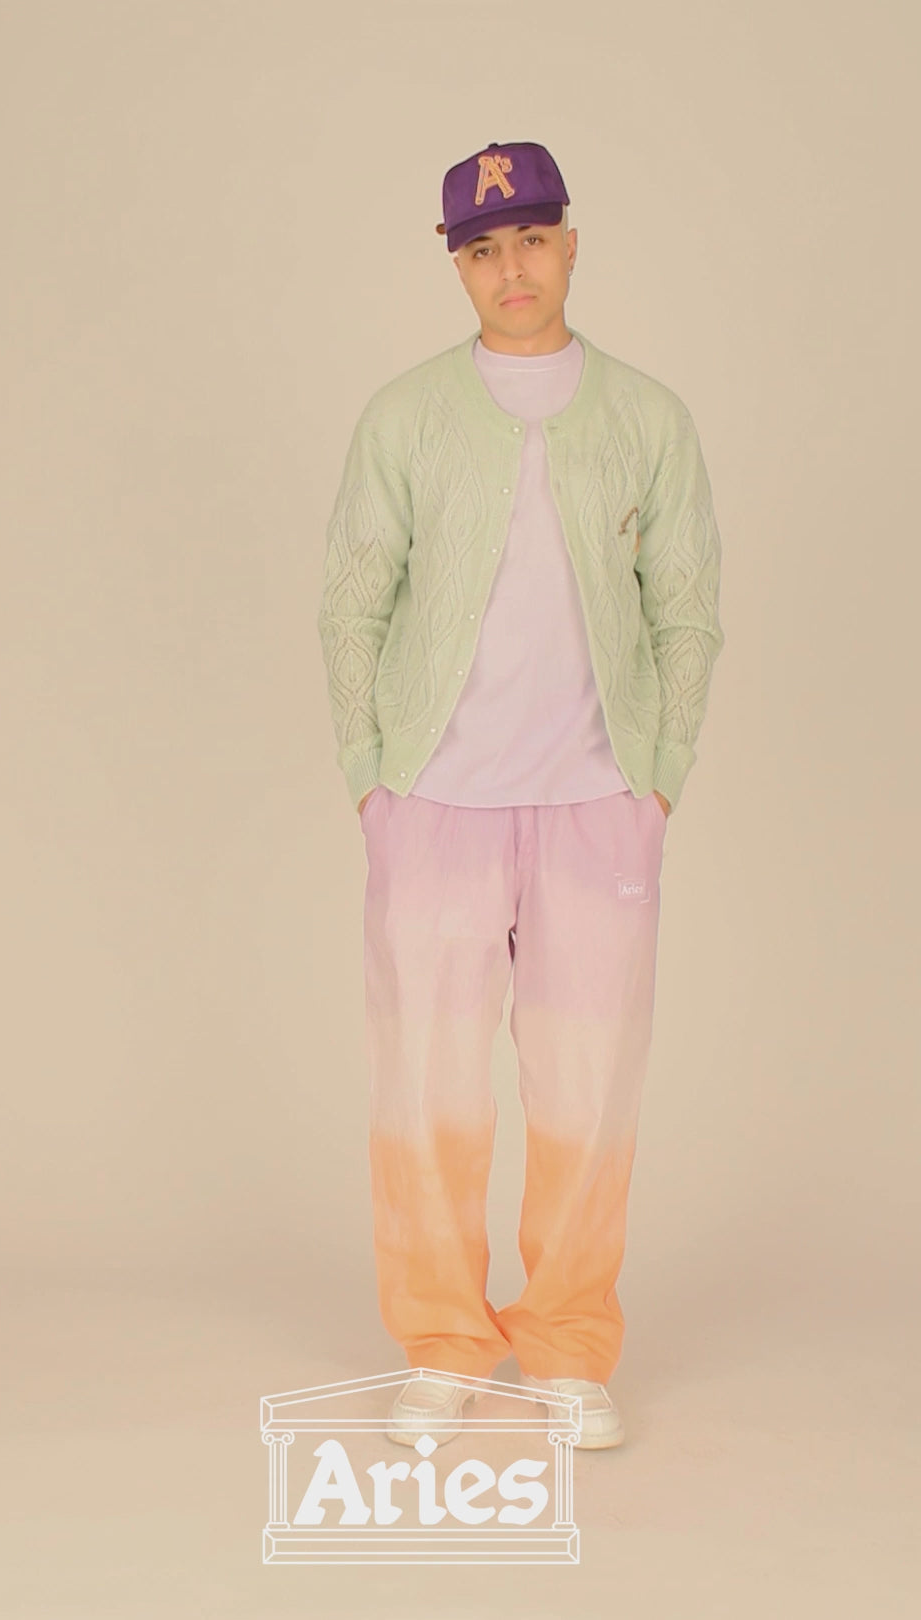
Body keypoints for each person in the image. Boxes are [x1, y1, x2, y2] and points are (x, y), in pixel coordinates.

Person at [316, 140, 725, 1449]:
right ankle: (442, 1342)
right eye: (483, 248)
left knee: (588, 1089)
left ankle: (565, 1348)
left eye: (532, 239)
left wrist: (660, 778)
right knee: (426, 1085)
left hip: (599, 800)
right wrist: (372, 776)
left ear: (570, 244)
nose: (512, 268)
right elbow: (352, 601)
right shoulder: (406, 416)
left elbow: (687, 610)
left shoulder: (648, 418)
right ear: (456, 264)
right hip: (435, 799)